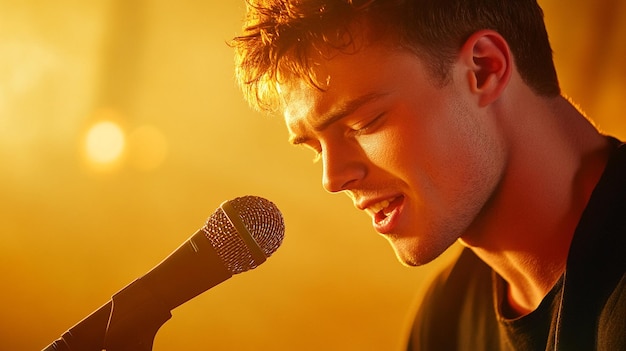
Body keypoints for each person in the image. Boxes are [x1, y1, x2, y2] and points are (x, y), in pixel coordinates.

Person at [230, 0, 626, 349]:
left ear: (484, 69)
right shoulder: (444, 321)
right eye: (316, 148)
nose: (333, 179)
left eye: (365, 123)